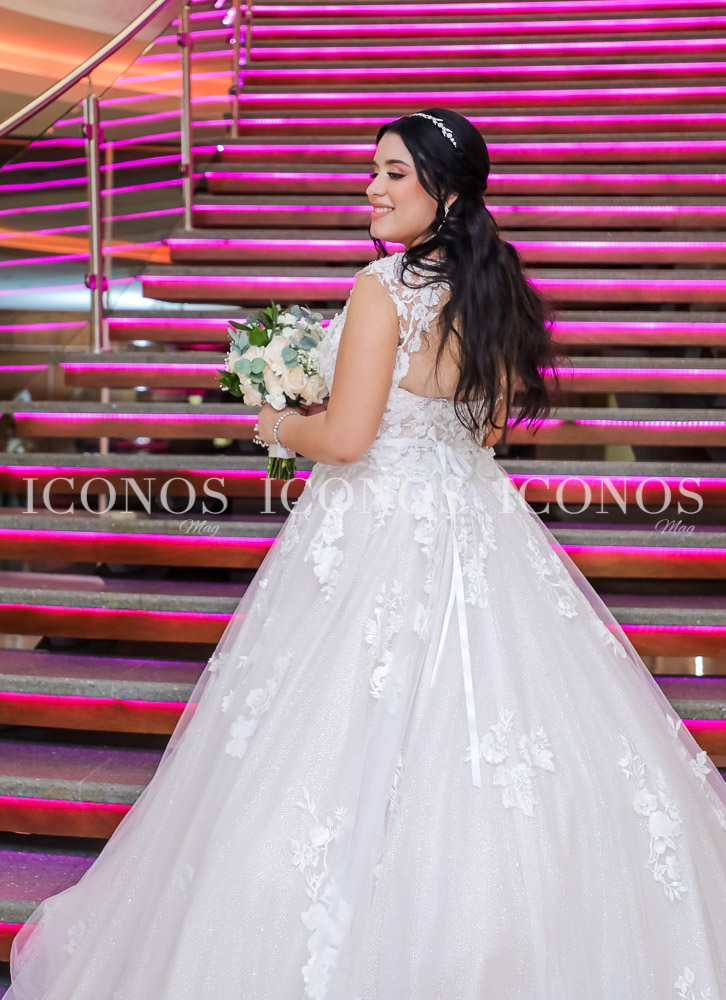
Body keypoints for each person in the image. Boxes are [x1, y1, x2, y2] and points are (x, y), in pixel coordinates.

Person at [7, 108, 726, 1000]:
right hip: (475, 522)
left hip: (375, 529)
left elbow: (348, 440)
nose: (374, 189)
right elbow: (486, 432)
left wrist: (278, 422)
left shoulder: (381, 288)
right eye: (374, 171)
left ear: (445, 195)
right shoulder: (495, 290)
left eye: (394, 174)